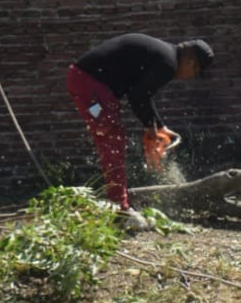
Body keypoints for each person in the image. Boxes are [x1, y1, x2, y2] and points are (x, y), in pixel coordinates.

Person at [67, 34, 214, 218]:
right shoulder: (168, 65)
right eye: (195, 72)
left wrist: (158, 125)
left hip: (86, 81)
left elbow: (141, 92)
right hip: (90, 85)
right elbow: (138, 97)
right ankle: (120, 208)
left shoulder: (164, 55)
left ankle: (117, 201)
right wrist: (150, 126)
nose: (190, 77)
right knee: (112, 140)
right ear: (190, 61)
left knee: (112, 137)